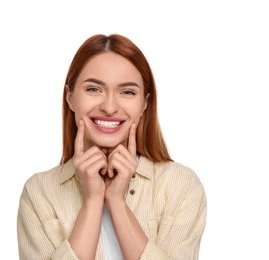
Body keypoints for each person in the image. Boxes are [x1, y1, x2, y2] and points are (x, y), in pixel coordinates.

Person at [17, 34, 207, 260]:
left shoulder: (180, 185)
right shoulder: (38, 192)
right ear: (70, 97)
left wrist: (116, 202)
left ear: (144, 103)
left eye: (127, 92)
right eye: (93, 89)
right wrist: (92, 201)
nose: (109, 107)